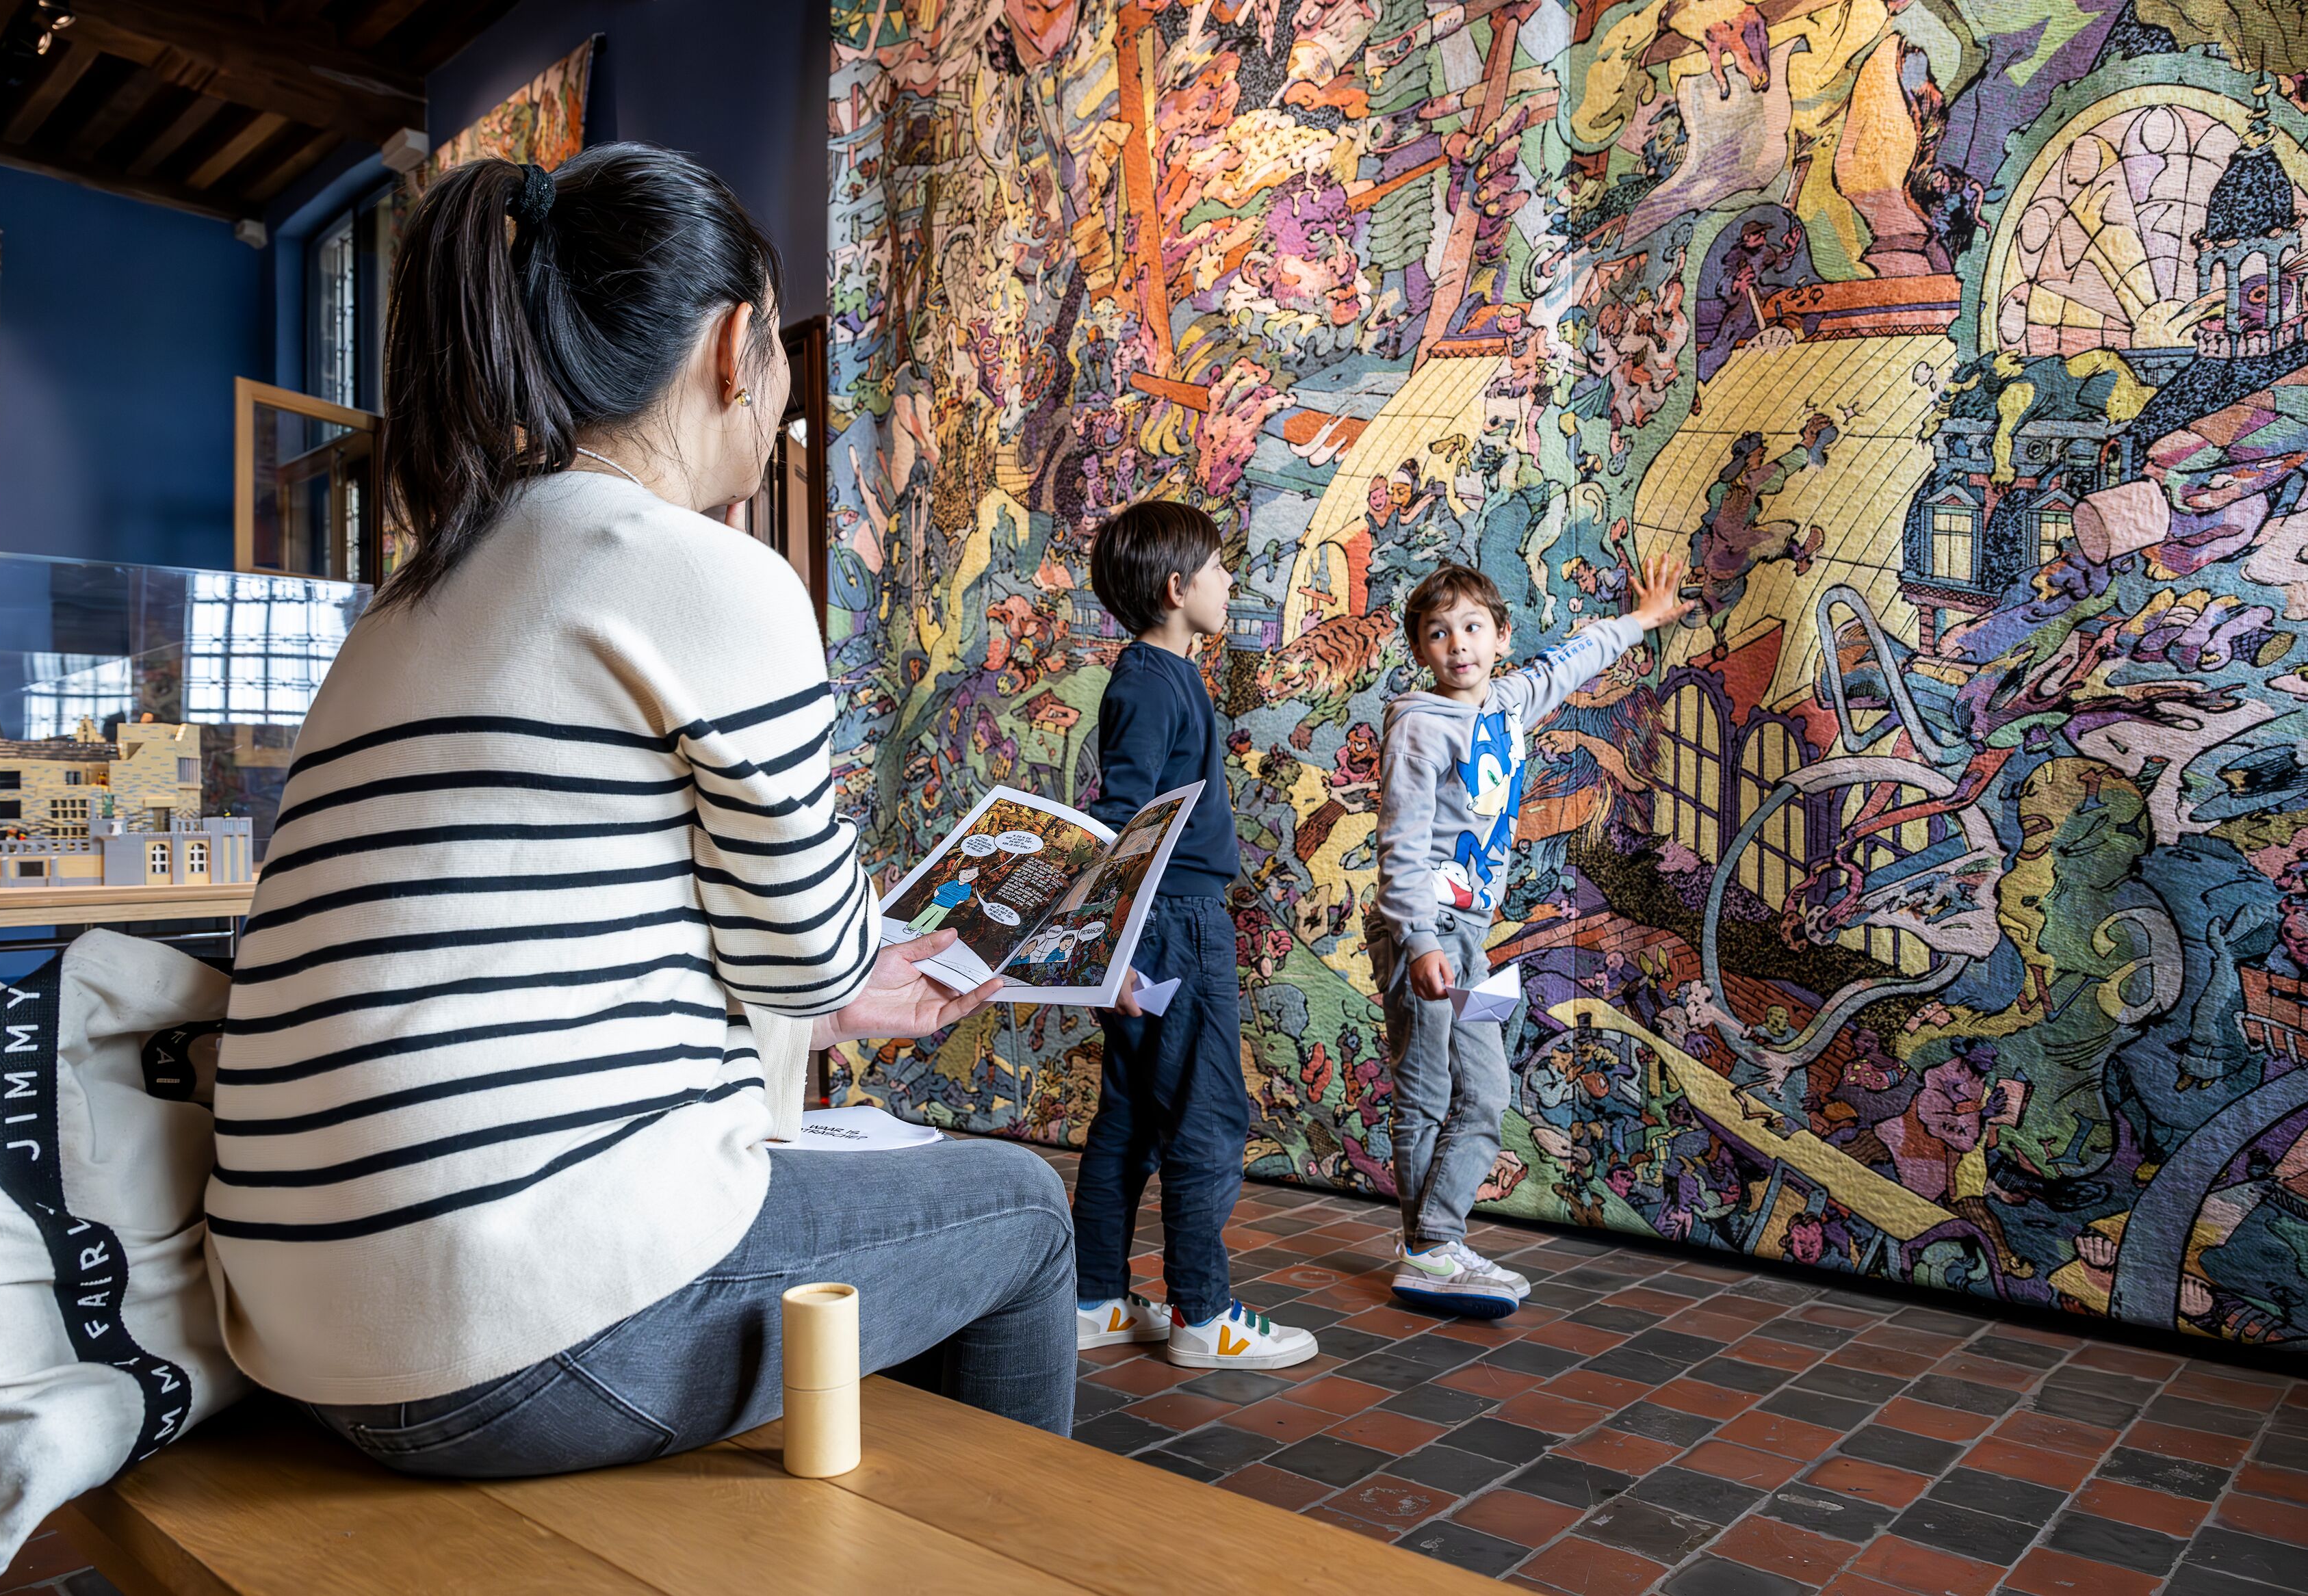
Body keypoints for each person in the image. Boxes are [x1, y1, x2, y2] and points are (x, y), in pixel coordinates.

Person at [205, 145, 1076, 1476]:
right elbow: (806, 954)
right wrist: (848, 979)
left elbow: (527, 953)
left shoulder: (406, 600)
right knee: (1019, 1207)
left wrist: (834, 1002)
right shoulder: (702, 570)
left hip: (292, 1319)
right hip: (501, 1334)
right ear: (738, 346)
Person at [1373, 555, 1685, 1316]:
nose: (1458, 644)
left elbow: (1568, 661)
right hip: (1427, 932)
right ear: (1419, 649)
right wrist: (1420, 942)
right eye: (1438, 632)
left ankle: (1431, 1242)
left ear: (1500, 636)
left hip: (1472, 936)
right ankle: (1429, 1248)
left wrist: (1640, 620)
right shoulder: (1419, 724)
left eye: (1472, 627)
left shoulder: (1508, 701)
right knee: (1428, 1092)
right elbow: (1401, 846)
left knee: (1486, 1089)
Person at [1072, 502, 1318, 1370]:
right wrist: (1115, 951)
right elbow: (1120, 821)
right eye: (1217, 568)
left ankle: (1095, 1299)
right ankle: (1203, 1315)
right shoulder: (1148, 683)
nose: (1229, 580)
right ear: (1177, 589)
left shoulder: (1164, 675)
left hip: (1162, 919)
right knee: (1207, 1115)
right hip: (1173, 922)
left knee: (1132, 1115)